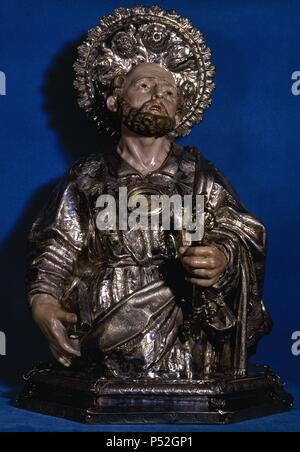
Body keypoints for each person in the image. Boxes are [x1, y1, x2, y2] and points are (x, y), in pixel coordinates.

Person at [27, 6, 272, 380]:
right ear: (114, 99)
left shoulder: (200, 177)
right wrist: (43, 304)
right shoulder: (87, 179)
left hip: (186, 332)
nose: (158, 93)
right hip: (104, 333)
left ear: (177, 114)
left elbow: (241, 231)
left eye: (169, 91)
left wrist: (221, 256)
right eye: (144, 85)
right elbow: (57, 248)